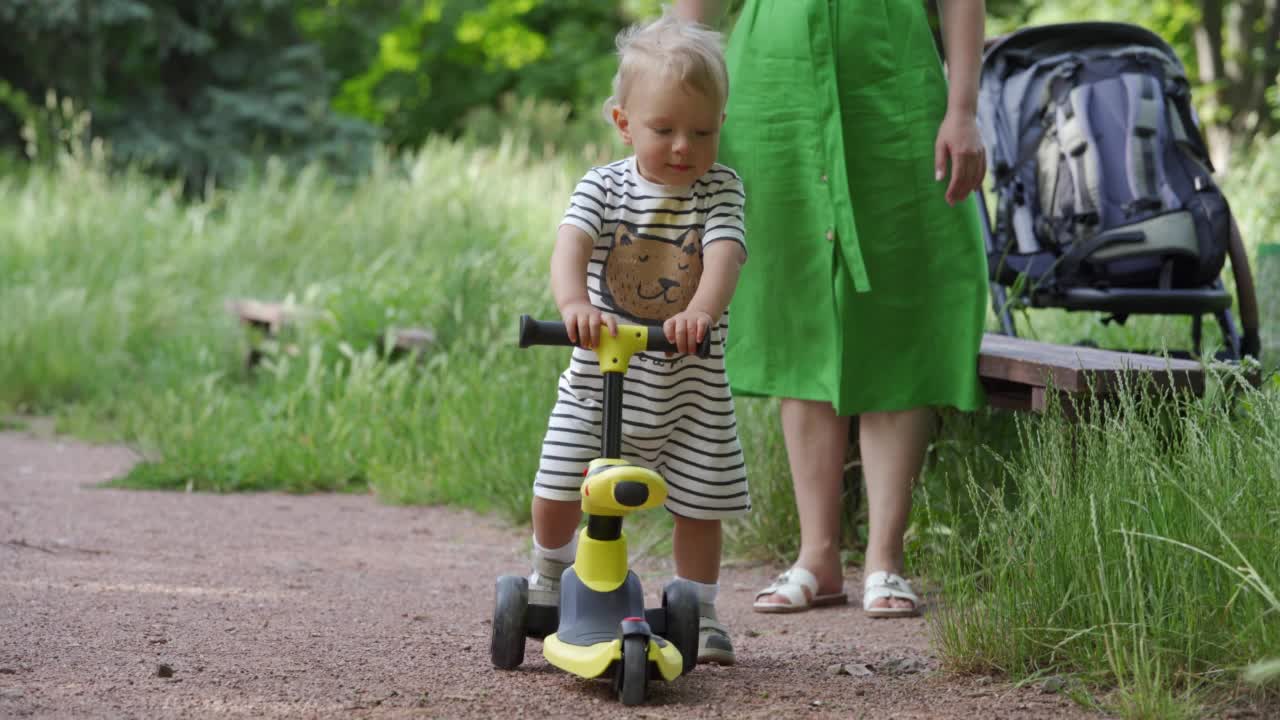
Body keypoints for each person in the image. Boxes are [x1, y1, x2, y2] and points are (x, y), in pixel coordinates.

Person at [675, 0, 988, 617]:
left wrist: (963, 108)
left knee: (901, 306)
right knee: (800, 306)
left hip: (893, 87)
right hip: (773, 95)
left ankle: (886, 559)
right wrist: (677, 94)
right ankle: (817, 554)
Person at [527, 11, 750, 663]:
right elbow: (570, 246)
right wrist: (572, 303)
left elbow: (725, 256)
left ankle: (700, 608)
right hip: (599, 383)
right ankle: (548, 576)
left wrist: (700, 314)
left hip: (690, 390)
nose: (684, 146)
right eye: (664, 130)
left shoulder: (720, 190)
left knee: (700, 503)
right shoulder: (603, 186)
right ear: (624, 124)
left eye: (701, 132)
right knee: (559, 480)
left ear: (720, 128)